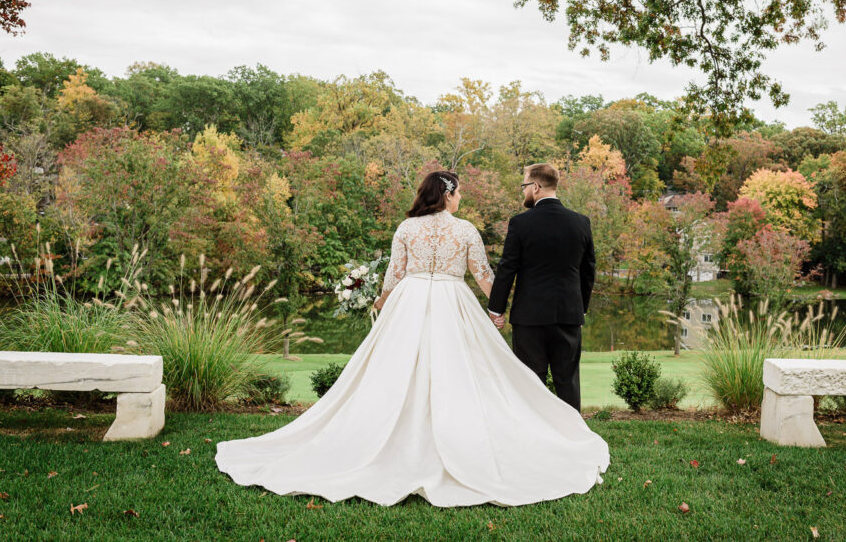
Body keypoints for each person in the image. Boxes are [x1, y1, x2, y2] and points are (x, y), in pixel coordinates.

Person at [216, 170, 609, 507]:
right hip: (454, 301)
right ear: (448, 195)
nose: (460, 200)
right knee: (460, 372)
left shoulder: (407, 227)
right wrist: (497, 309)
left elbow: (394, 273)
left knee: (394, 369)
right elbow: (484, 274)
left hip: (410, 300)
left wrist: (382, 302)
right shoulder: (466, 230)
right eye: (458, 194)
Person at [487, 163, 595, 412]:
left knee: (530, 384)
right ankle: (573, 439)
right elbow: (588, 271)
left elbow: (507, 268)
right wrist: (582, 309)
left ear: (535, 187)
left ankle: (533, 441)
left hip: (530, 317)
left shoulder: (520, 224)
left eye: (524, 186)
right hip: (569, 315)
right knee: (567, 382)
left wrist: (496, 309)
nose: (523, 191)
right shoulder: (581, 222)